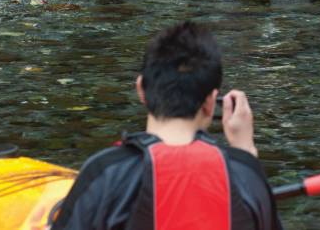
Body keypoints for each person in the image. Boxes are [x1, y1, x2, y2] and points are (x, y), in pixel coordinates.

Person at [51, 21, 282, 230]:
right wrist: (246, 151)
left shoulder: (105, 170)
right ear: (211, 102)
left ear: (141, 89)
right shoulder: (245, 174)